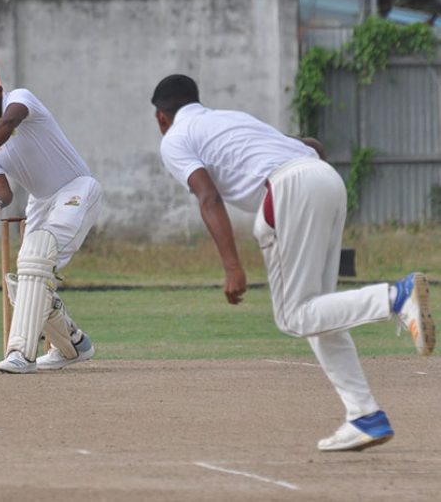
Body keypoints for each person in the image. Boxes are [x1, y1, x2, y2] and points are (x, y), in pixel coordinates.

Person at [150, 74, 435, 451]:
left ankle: (397, 297)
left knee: (295, 316)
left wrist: (232, 267)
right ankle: (364, 415)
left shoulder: (174, 138)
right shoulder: (229, 119)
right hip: (325, 179)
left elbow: (208, 198)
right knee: (318, 312)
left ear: (161, 117)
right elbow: (311, 145)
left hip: (288, 188)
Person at [0, 63, 103, 373]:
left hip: (76, 188)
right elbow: (3, 192)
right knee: (25, 282)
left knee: (37, 259)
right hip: (40, 202)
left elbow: (9, 122)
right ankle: (73, 345)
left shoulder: (20, 100)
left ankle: (21, 353)